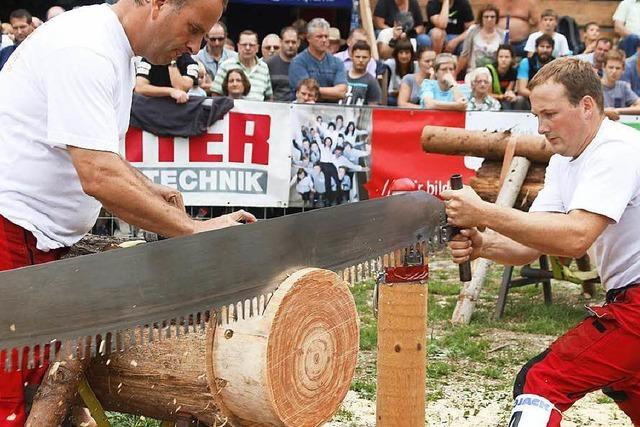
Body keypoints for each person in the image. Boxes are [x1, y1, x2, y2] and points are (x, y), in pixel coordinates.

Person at [0, 0, 257, 425]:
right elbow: (99, 176)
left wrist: (149, 191)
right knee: (6, 406)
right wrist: (194, 231)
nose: (195, 46)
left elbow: (100, 155)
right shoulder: (87, 48)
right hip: (10, 231)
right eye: (193, 28)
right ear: (157, 3)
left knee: (35, 399)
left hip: (30, 237)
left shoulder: (111, 46)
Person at [443, 56, 640, 427]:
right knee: (630, 388)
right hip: (629, 298)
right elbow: (532, 243)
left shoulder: (616, 149)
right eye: (536, 116)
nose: (542, 127)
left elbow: (576, 237)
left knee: (541, 384)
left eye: (550, 114)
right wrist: (483, 244)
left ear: (586, 106)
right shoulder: (563, 160)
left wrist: (482, 213)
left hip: (637, 305)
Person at [289, 18, 348, 103]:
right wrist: (333, 92)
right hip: (305, 111)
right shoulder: (298, 61)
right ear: (308, 38)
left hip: (332, 112)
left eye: (326, 36)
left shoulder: (337, 62)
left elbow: (342, 92)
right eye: (319, 37)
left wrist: (314, 91)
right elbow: (306, 93)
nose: (324, 40)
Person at [212, 30, 273, 101]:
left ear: (257, 48)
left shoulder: (264, 67)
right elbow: (216, 94)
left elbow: (269, 97)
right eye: (244, 45)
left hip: (257, 111)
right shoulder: (226, 65)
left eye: (251, 45)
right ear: (238, 46)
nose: (247, 48)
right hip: (231, 110)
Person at [457, 4, 504, 74]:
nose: (489, 19)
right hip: (473, 72)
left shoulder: (502, 35)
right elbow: (465, 54)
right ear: (481, 18)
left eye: (492, 17)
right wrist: (455, 74)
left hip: (493, 74)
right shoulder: (473, 31)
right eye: (486, 17)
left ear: (496, 18)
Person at [135, 53, 199, 104]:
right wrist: (170, 91)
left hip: (177, 108)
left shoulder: (190, 63)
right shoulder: (150, 58)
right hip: (151, 106)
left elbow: (181, 88)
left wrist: (172, 62)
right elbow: (140, 87)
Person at [516, 34, 555, 109]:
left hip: (550, 100)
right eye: (542, 46)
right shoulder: (526, 62)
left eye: (548, 47)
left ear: (552, 49)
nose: (545, 50)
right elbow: (522, 89)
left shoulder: (556, 64)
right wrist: (540, 97)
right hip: (530, 98)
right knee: (520, 100)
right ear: (536, 48)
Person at [340, 41, 382, 106]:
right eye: (357, 57)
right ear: (351, 57)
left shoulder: (372, 81)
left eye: (364, 57)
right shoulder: (341, 76)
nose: (361, 60)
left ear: (369, 59)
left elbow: (373, 106)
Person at [601, 49, 640, 119]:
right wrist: (605, 111)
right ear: (604, 67)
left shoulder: (623, 86)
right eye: (611, 67)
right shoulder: (594, 86)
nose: (614, 71)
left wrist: (617, 110)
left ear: (623, 70)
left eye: (618, 68)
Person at [266, 26, 300, 102]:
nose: (290, 45)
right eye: (287, 42)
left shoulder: (304, 63)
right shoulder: (269, 64)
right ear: (281, 42)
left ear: (298, 43)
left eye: (293, 42)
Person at [486, 44, 523, 110]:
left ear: (512, 58)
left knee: (519, 100)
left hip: (505, 99)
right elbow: (488, 94)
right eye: (501, 57)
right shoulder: (489, 70)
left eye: (507, 57)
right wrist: (501, 96)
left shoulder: (513, 72)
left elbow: (508, 91)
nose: (503, 59)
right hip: (492, 100)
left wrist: (510, 95)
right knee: (504, 103)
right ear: (497, 58)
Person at [384, 39, 415, 105]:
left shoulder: (417, 66)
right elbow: (389, 92)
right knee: (390, 100)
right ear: (396, 54)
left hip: (412, 98)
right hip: (394, 97)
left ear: (411, 54)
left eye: (407, 53)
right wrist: (404, 92)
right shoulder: (389, 64)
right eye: (401, 53)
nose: (404, 56)